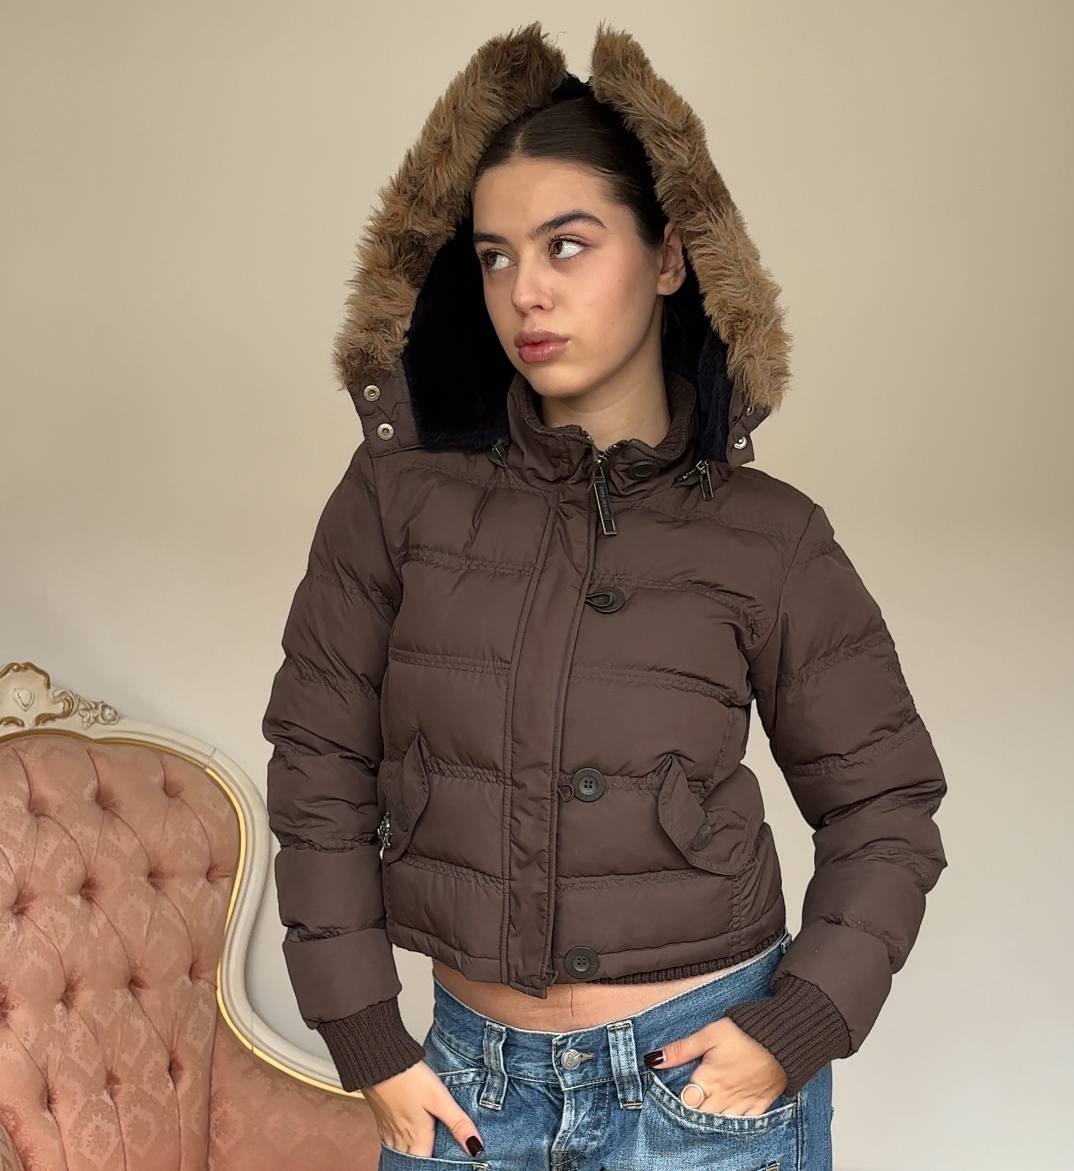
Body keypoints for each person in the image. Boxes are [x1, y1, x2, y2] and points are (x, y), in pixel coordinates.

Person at [262, 22, 948, 1171]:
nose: (525, 291)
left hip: (701, 1095)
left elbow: (886, 803)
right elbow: (317, 760)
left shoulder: (767, 534)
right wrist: (365, 1034)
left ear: (670, 256)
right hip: (466, 1085)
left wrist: (795, 1030)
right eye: (494, 256)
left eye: (568, 245)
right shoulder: (396, 496)